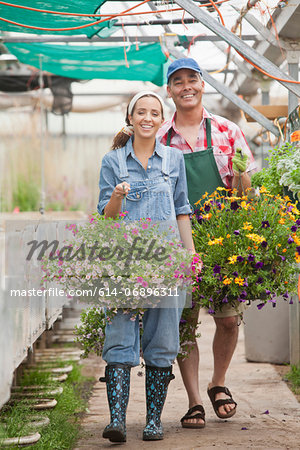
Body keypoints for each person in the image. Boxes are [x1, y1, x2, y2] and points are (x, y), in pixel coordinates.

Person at [157, 58, 257, 429]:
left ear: (202, 85)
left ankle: (218, 384)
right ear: (169, 90)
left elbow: (245, 188)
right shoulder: (161, 139)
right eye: (177, 81)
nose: (186, 86)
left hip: (224, 238)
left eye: (192, 79)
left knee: (228, 321)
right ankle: (195, 400)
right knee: (184, 323)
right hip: (179, 240)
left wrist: (247, 223)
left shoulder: (228, 131)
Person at [97, 91, 195, 442]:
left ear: (162, 119)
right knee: (120, 340)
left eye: (155, 112)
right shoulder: (112, 161)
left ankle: (154, 421)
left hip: (168, 262)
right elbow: (106, 219)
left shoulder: (173, 160)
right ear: (131, 117)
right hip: (125, 263)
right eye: (141, 112)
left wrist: (190, 258)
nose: (148, 118)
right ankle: (117, 423)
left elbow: (182, 210)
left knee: (163, 340)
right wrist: (118, 196)